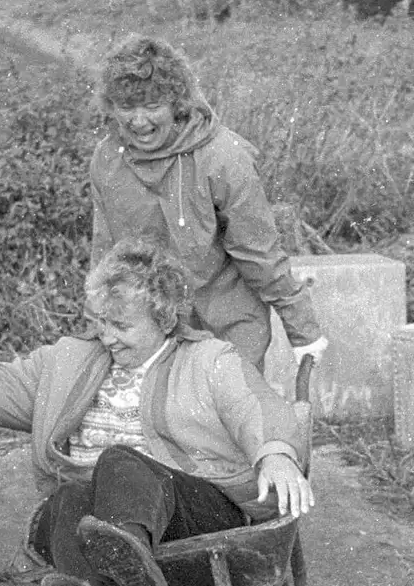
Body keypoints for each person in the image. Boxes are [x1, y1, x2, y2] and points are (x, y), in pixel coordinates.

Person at [0, 237, 314, 586]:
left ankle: (128, 554)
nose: (108, 337)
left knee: (117, 461)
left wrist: (276, 454)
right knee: (68, 498)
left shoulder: (208, 361)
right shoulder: (67, 363)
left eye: (122, 325)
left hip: (194, 514)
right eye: (100, 321)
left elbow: (257, 406)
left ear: (165, 319)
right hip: (96, 524)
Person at [90, 34, 328, 370]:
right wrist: (95, 327)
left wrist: (302, 331)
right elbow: (105, 254)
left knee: (224, 414)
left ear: (178, 104)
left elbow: (259, 253)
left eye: (153, 106)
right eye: (127, 108)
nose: (139, 121)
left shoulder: (223, 158)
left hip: (227, 323)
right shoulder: (108, 159)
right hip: (154, 327)